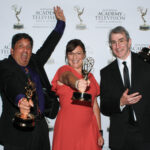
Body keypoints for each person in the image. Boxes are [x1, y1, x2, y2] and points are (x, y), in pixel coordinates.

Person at [0, 6, 65, 150]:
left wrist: (60, 24)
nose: (25, 50)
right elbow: (9, 83)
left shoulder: (34, 61)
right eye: (20, 46)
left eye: (28, 47)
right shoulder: (4, 66)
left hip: (40, 128)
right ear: (12, 50)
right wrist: (20, 99)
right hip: (17, 132)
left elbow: (48, 47)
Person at [100, 26, 150, 150]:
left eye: (121, 40)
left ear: (129, 42)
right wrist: (121, 102)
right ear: (111, 46)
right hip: (120, 138)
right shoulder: (106, 72)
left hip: (146, 134)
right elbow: (104, 107)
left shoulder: (146, 64)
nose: (118, 46)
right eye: (114, 42)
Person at [51, 39, 104, 150]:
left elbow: (94, 106)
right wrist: (76, 83)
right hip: (67, 130)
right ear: (67, 56)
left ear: (84, 55)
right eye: (71, 53)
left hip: (89, 130)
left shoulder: (90, 77)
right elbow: (67, 77)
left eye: (78, 53)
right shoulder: (64, 70)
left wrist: (99, 132)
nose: (75, 57)